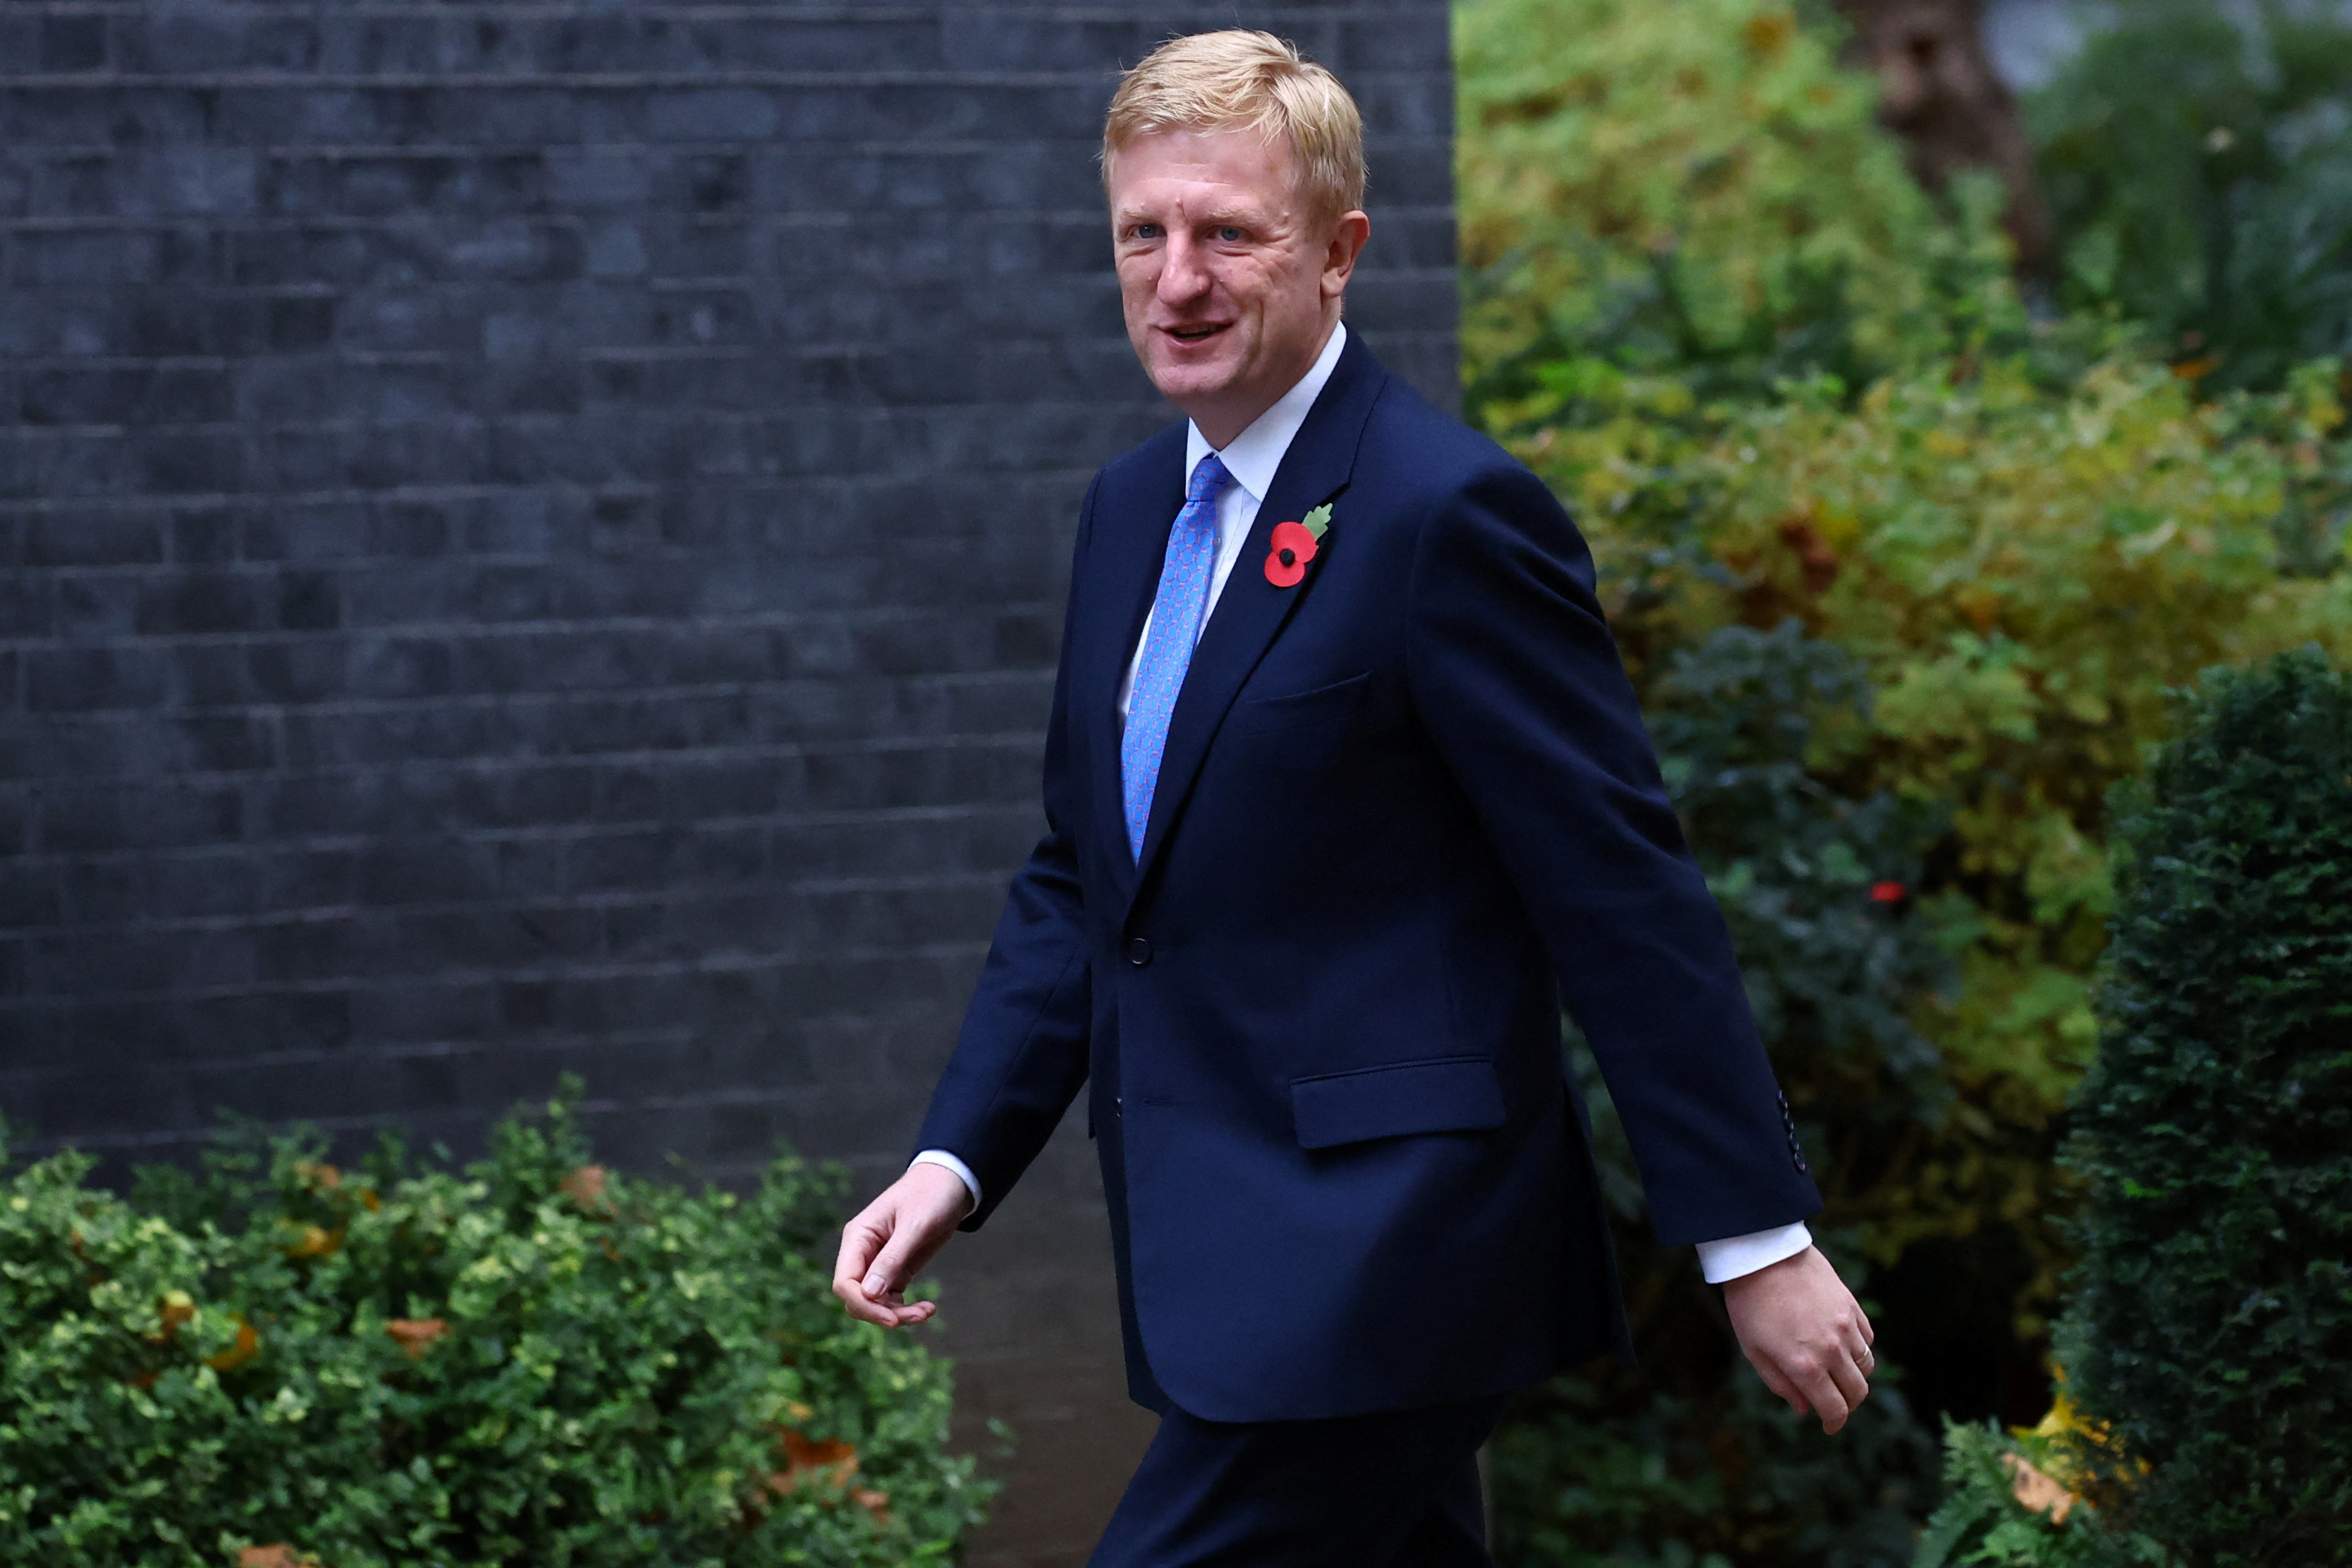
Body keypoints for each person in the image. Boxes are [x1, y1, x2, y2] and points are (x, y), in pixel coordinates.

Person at [834, 30, 1875, 1565]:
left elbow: (1617, 889)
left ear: (1339, 254)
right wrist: (958, 1158)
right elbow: (1089, 877)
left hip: (1390, 1255)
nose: (1177, 280)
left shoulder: (1448, 515)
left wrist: (1754, 1235)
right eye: (1142, 233)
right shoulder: (1128, 512)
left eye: (1228, 235)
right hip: (1230, 1251)